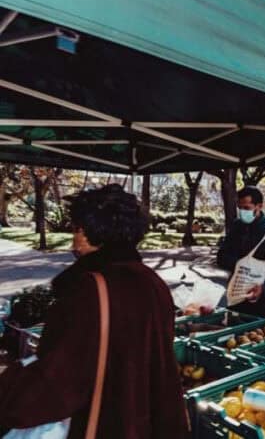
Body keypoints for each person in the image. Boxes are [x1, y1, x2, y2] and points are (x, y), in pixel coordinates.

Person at [0, 184, 188, 438]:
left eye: (76, 229)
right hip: (144, 422)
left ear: (92, 232)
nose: (73, 240)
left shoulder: (88, 290)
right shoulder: (153, 282)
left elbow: (58, 385)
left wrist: (9, 386)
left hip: (104, 425)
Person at [217, 185, 265, 318]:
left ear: (259, 206)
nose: (242, 212)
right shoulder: (237, 226)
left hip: (260, 303)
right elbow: (221, 257)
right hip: (235, 297)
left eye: (246, 208)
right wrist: (241, 266)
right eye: (240, 208)